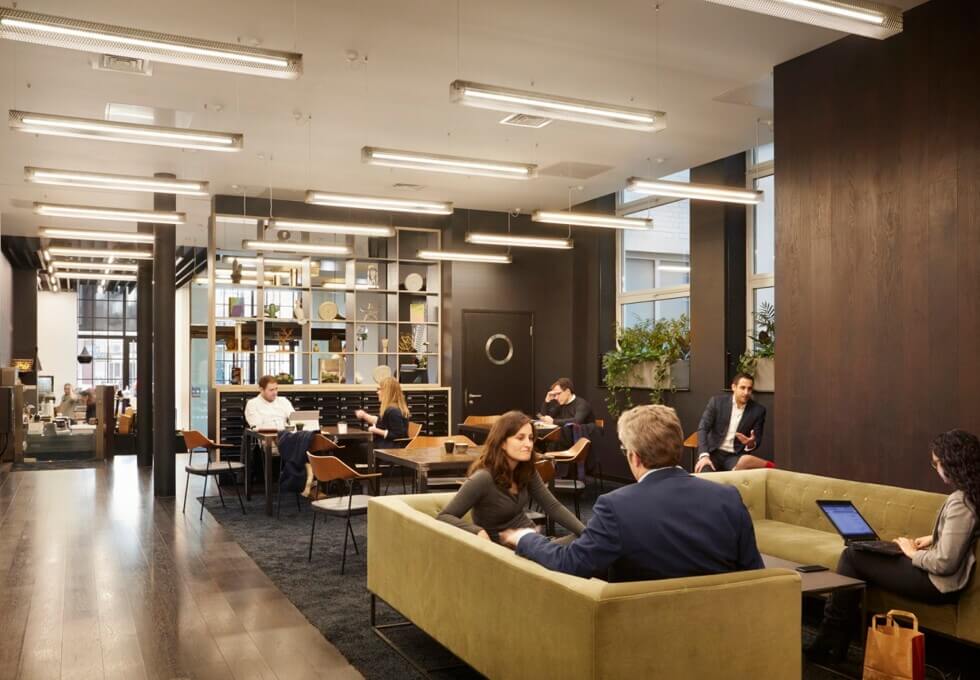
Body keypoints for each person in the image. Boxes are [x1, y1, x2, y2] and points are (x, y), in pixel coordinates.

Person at [500, 404, 764, 581]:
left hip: (642, 637)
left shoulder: (615, 507)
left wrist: (526, 539)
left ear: (634, 457)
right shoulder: (728, 498)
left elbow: (571, 564)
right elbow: (755, 576)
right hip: (724, 637)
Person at [807, 429, 980, 663]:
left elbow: (944, 563)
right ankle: (835, 637)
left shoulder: (960, 500)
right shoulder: (973, 493)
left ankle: (830, 636)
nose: (937, 469)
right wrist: (933, 538)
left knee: (852, 554)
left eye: (937, 463)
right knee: (863, 553)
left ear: (952, 462)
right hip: (941, 578)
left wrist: (911, 553)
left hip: (937, 584)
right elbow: (967, 532)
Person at [438, 410, 585, 543]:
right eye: (520, 438)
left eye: (530, 438)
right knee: (595, 546)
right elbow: (444, 517)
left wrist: (585, 533)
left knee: (595, 540)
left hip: (536, 543)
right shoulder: (483, 478)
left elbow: (553, 507)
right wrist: (477, 531)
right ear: (502, 443)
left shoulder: (526, 470)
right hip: (513, 554)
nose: (528, 444)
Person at [694, 372, 768, 473]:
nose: (746, 392)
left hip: (735, 455)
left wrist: (750, 443)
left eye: (749, 389)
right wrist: (704, 455)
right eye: (742, 388)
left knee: (739, 478)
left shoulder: (758, 410)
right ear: (734, 387)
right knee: (704, 473)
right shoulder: (717, 402)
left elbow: (757, 440)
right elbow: (703, 428)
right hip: (714, 452)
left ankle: (772, 467)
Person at [354, 376, 409, 448]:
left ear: (387, 392)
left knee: (355, 447)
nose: (377, 392)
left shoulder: (393, 411)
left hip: (391, 447)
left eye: (379, 389)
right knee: (355, 442)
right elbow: (381, 421)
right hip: (386, 443)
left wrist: (375, 430)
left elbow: (397, 435)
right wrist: (364, 415)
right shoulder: (391, 408)